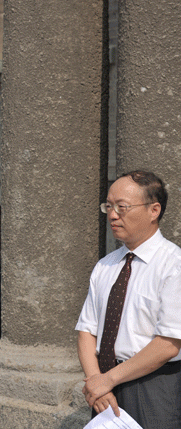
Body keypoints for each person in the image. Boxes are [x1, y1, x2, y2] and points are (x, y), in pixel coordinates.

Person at [75, 170, 181, 428]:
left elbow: (169, 343)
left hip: (153, 386)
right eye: (109, 206)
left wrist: (108, 379)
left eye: (122, 207)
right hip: (104, 386)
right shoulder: (105, 265)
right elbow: (87, 330)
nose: (113, 215)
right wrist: (97, 381)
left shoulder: (173, 265)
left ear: (154, 210)